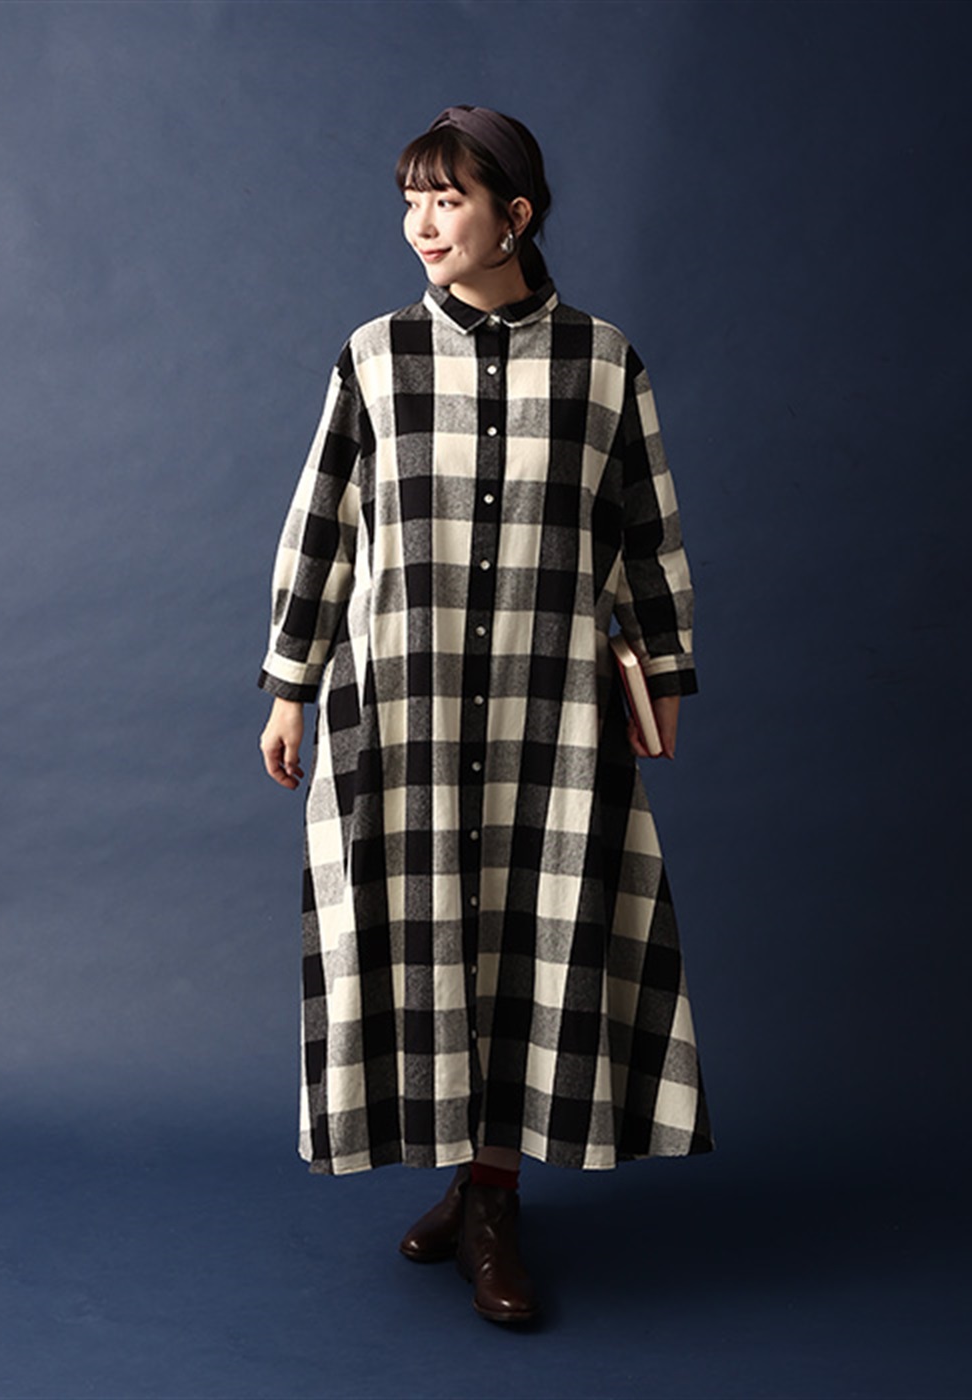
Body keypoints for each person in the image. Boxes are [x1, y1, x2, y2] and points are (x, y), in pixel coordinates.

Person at [257, 105, 712, 1326]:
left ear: (515, 213)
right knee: (424, 941)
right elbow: (322, 524)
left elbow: (647, 527)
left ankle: (494, 1196)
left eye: (447, 198)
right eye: (411, 198)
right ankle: (470, 1181)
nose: (422, 222)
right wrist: (292, 682)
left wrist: (664, 672)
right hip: (398, 709)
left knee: (528, 939)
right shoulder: (374, 357)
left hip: (546, 713)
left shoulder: (604, 362)